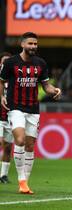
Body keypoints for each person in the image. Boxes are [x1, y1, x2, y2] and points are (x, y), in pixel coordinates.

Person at [0, 32, 62, 194]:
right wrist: (1, 97)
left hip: (33, 109)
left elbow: (45, 86)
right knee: (19, 140)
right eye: (30, 44)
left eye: (35, 44)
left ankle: (25, 182)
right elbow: (1, 81)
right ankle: (21, 180)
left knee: (30, 145)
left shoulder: (40, 63)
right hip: (16, 108)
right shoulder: (11, 62)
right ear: (22, 44)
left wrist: (53, 90)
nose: (33, 46)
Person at [0, 52, 13, 184]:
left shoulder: (14, 78)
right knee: (1, 142)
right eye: (4, 62)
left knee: (8, 147)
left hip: (10, 116)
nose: (6, 64)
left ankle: (3, 175)